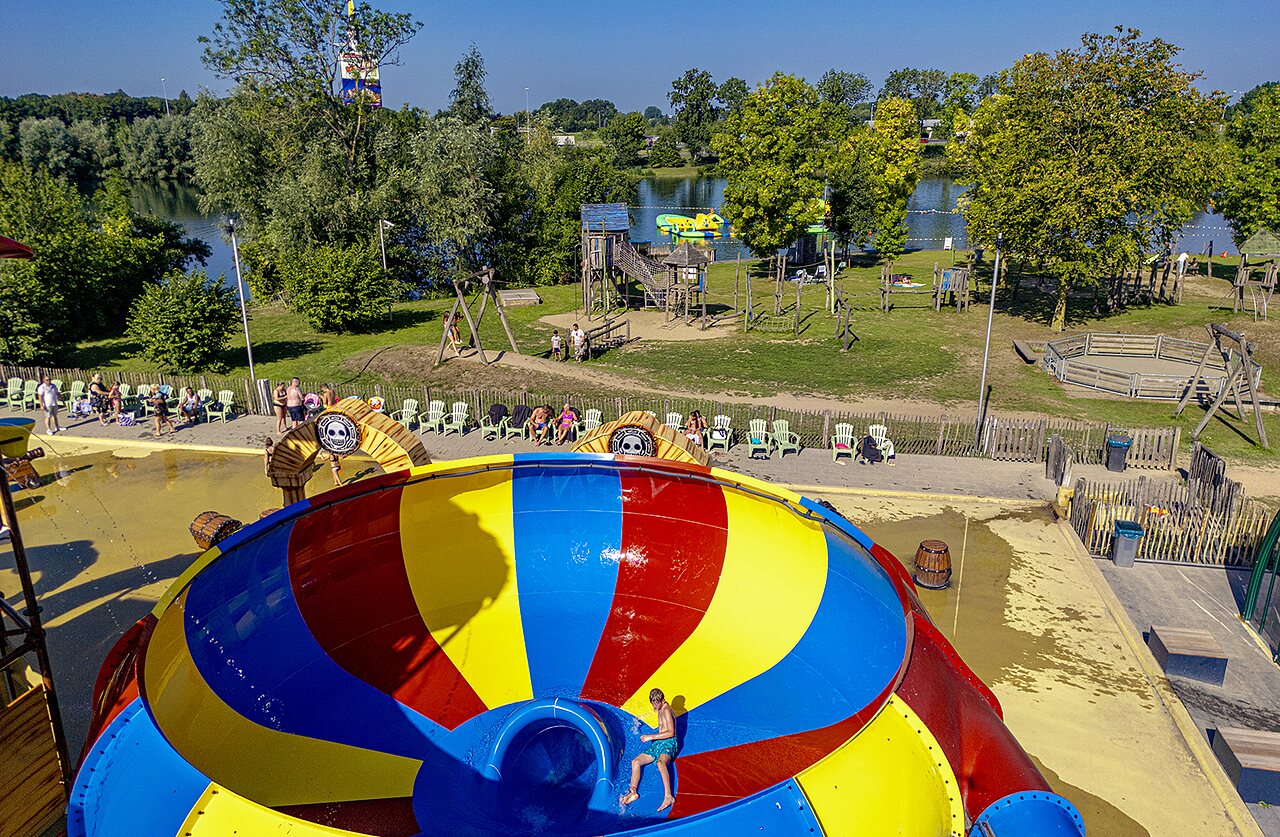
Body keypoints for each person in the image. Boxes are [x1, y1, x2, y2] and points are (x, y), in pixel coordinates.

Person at [621, 688, 677, 812]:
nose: (655, 706)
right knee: (636, 762)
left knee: (660, 763)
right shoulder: (659, 707)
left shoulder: (667, 710)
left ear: (663, 700)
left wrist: (650, 736)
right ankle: (633, 792)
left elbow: (671, 733)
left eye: (657, 704)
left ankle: (669, 796)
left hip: (669, 743)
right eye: (653, 704)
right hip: (659, 743)